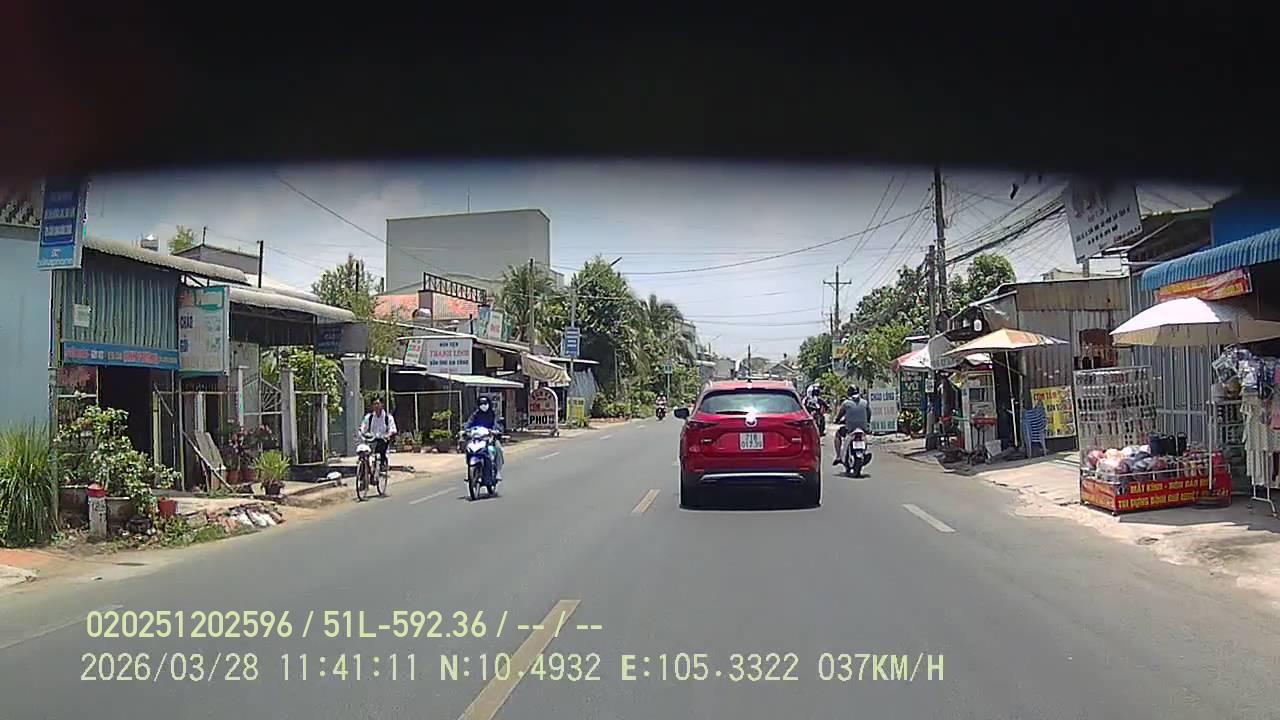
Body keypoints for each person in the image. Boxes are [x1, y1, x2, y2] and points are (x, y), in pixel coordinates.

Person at [465, 394, 504, 481]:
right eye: (481, 403)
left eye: (485, 403)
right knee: (468, 449)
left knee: (498, 449)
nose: (483, 405)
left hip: (490, 438)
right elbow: (469, 423)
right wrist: (465, 430)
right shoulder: (476, 414)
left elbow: (497, 424)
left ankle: (498, 472)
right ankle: (470, 473)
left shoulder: (493, 414)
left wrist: (495, 430)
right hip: (477, 438)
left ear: (489, 403)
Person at [833, 385, 872, 466]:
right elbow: (869, 414)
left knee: (838, 434)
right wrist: (867, 422)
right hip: (863, 428)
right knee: (864, 437)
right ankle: (864, 452)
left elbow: (840, 415)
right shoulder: (865, 402)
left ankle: (838, 456)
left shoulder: (846, 403)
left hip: (850, 429)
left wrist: (836, 420)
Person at [359, 397, 397, 475]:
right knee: (363, 452)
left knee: (381, 449)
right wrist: (362, 432)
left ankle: (382, 465)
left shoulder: (388, 417)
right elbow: (363, 428)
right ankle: (364, 471)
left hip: (382, 440)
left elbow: (393, 429)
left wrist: (388, 435)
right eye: (374, 404)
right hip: (371, 439)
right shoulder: (369, 417)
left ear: (382, 405)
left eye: (377, 404)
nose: (376, 406)